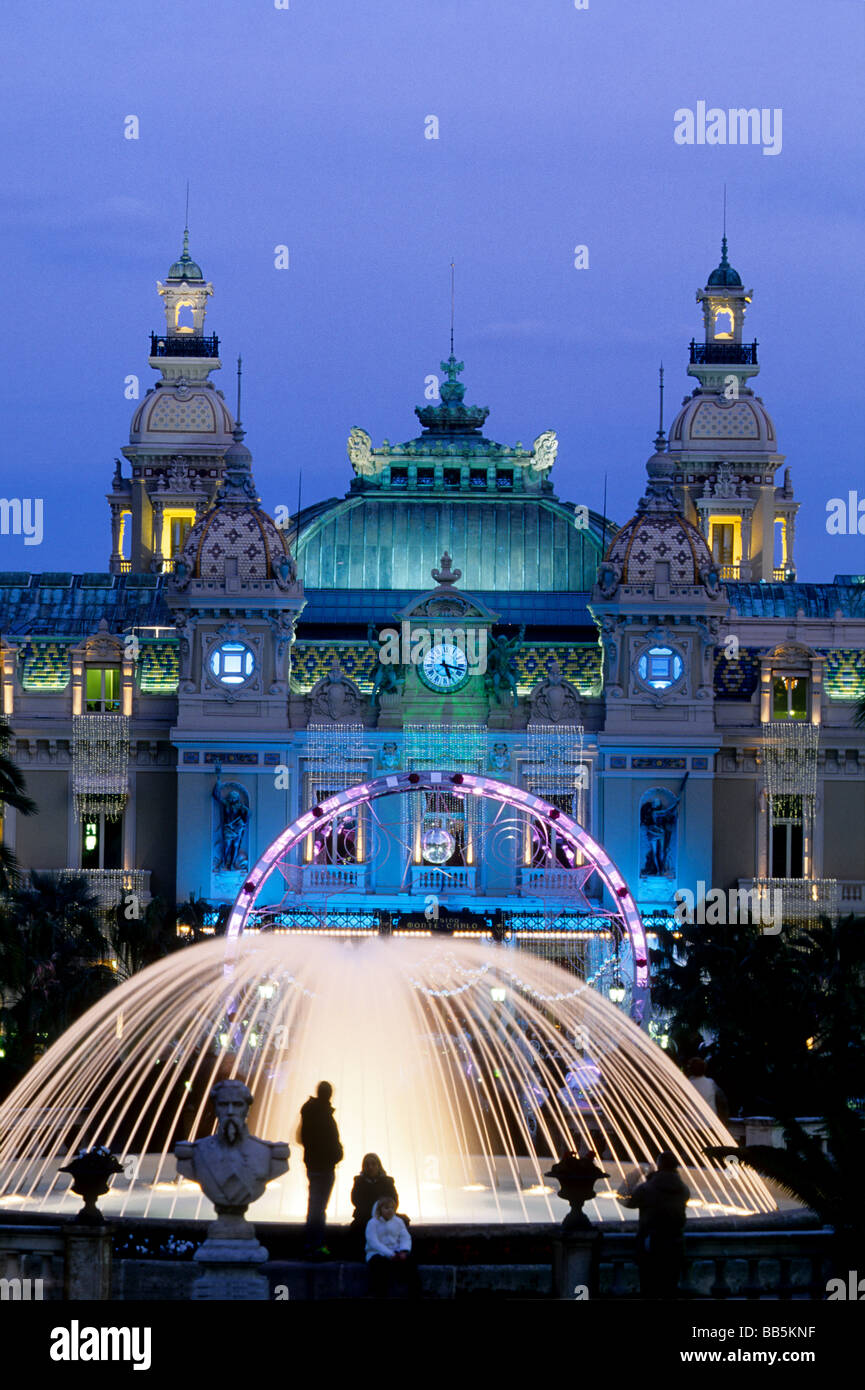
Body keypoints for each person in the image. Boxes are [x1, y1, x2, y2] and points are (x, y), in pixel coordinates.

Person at [618, 1151, 690, 1299]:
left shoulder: (647, 1189)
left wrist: (636, 1174)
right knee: (670, 1288)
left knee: (649, 1289)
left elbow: (623, 1198)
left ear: (659, 1165)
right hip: (675, 1245)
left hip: (651, 1245)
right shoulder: (683, 1189)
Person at [298, 1081, 343, 1257]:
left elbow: (305, 1138)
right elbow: (327, 1141)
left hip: (314, 1164)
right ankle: (314, 1245)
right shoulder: (322, 1113)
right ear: (329, 1094)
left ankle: (312, 1243)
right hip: (323, 1166)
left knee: (315, 1205)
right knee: (318, 1207)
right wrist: (336, 1154)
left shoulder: (310, 1112)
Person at [365, 1197, 420, 1299]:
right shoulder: (372, 1223)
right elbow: (373, 1242)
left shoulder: (398, 1221)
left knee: (411, 1261)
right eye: (386, 1208)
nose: (390, 1210)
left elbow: (405, 1237)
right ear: (379, 1209)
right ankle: (380, 1294)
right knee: (379, 1266)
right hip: (377, 1253)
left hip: (396, 1252)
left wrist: (404, 1251)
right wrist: (390, 1254)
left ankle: (415, 1294)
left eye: (392, 1208)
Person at [350, 1153, 399, 1242]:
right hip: (363, 1217)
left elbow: (394, 1200)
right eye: (367, 1165)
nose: (370, 1167)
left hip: (384, 1216)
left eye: (373, 1164)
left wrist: (383, 1211)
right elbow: (355, 1200)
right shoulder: (359, 1181)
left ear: (379, 1166)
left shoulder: (387, 1181)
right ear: (363, 1167)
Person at [685, 1057, 729, 1124]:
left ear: (690, 1070)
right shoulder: (711, 1083)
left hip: (692, 1124)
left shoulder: (686, 1084)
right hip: (710, 1124)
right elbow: (722, 1101)